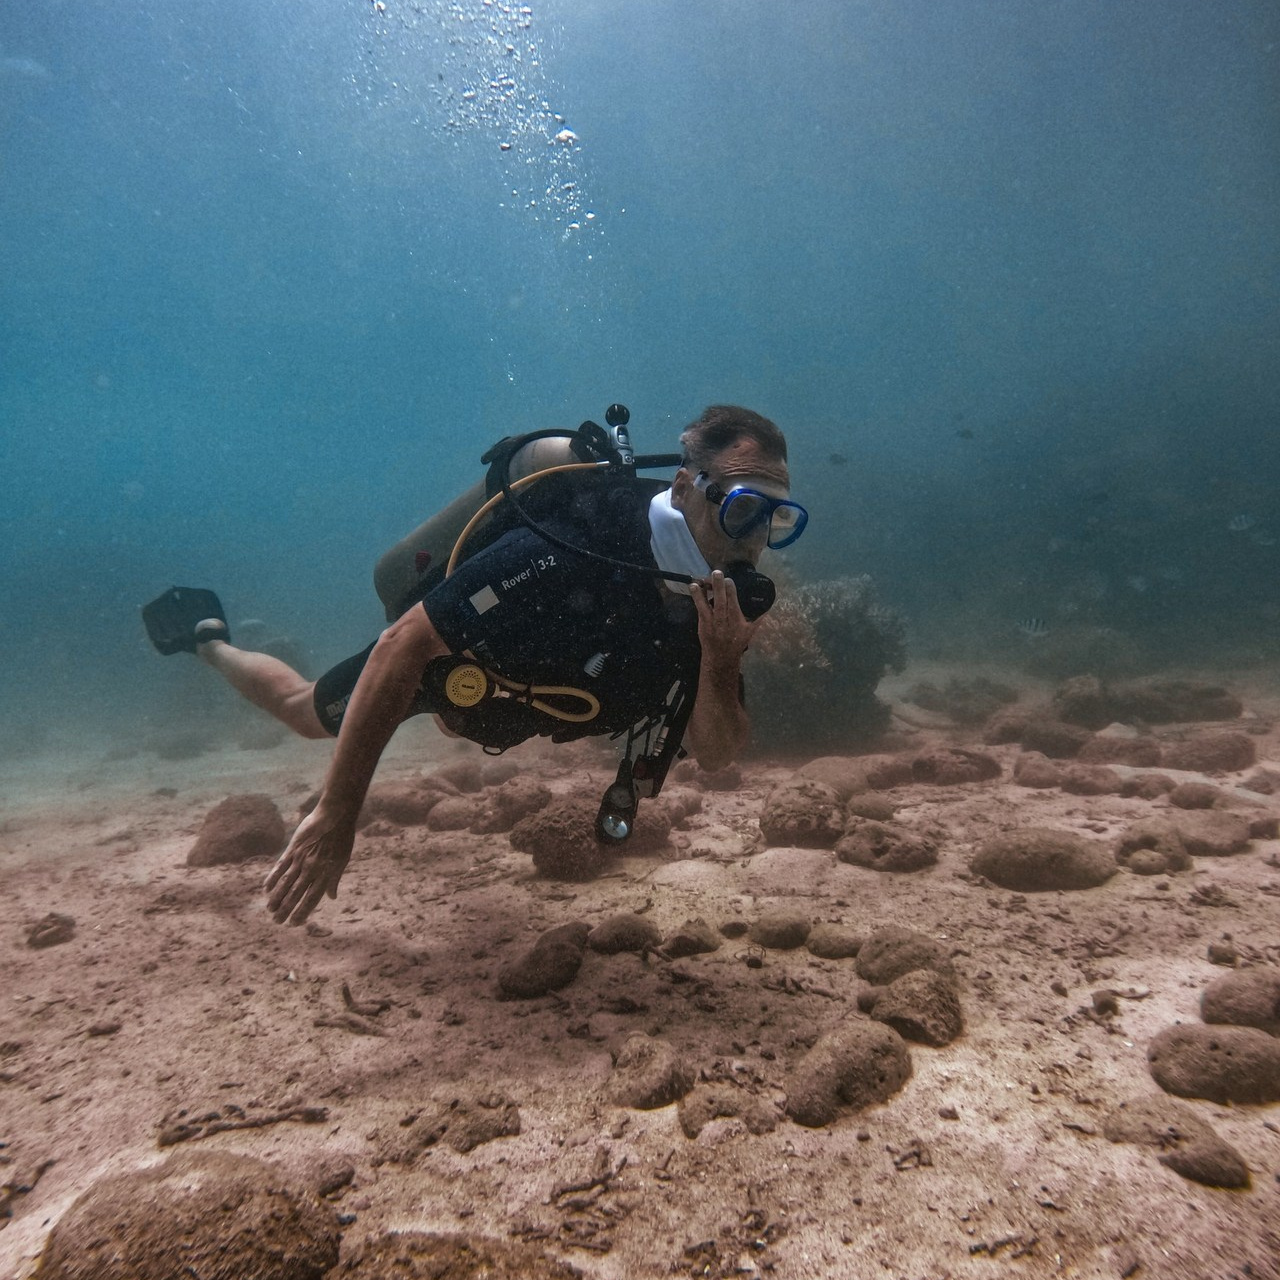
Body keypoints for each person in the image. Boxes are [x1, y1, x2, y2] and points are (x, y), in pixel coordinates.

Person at [144, 405, 806, 925]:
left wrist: (720, 658)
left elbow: (715, 754)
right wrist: (339, 812)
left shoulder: (717, 601)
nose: (754, 540)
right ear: (687, 487)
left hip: (512, 707)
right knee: (304, 712)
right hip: (445, 671)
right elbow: (404, 642)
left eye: (776, 521)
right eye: (743, 508)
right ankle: (210, 639)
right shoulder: (586, 539)